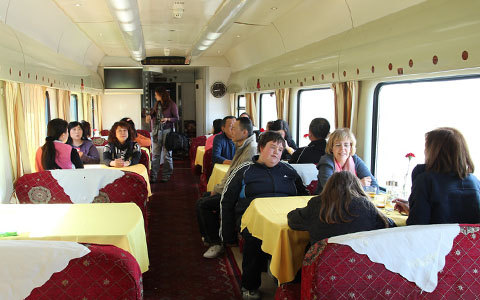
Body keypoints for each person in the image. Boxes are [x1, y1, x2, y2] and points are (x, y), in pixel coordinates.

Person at [220, 131, 309, 299]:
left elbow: (304, 196)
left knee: (302, 238)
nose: (276, 152)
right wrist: (227, 233)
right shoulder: (245, 170)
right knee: (254, 240)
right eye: (272, 147)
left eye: (280, 149)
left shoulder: (289, 171)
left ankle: (291, 283)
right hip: (252, 218)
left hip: (284, 218)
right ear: (261, 148)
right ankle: (250, 285)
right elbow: (227, 200)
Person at [197, 117, 257, 259]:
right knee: (203, 199)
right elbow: (231, 172)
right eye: (231, 127)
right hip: (231, 188)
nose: (232, 131)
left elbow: (235, 178)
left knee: (203, 204)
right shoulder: (241, 146)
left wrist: (217, 190)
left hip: (237, 193)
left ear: (244, 132)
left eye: (234, 128)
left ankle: (216, 243)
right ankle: (209, 235)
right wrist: (217, 189)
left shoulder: (250, 150)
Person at [393, 127, 480, 225]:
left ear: (433, 151)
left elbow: (417, 226)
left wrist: (414, 212)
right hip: (465, 240)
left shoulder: (425, 181)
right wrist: (412, 209)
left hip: (435, 239)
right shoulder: (475, 182)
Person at [288, 171, 390, 245]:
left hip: (322, 264)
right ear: (357, 187)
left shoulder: (317, 204)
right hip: (359, 265)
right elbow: (387, 224)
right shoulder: (366, 207)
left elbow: (293, 220)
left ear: (328, 186)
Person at [316, 128, 378, 193]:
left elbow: (375, 188)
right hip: (328, 201)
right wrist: (359, 184)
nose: (342, 149)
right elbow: (330, 190)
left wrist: (344, 188)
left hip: (353, 201)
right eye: (338, 145)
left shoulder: (355, 160)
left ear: (351, 148)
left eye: (346, 145)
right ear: (331, 148)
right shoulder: (326, 162)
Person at [147, 87, 179, 182]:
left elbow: (177, 118)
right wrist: (149, 116)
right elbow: (153, 114)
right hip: (157, 131)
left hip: (167, 131)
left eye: (156, 94)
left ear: (161, 95)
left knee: (167, 155)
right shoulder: (157, 104)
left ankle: (166, 175)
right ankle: (154, 176)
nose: (155, 96)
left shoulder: (171, 104)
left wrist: (167, 119)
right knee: (156, 155)